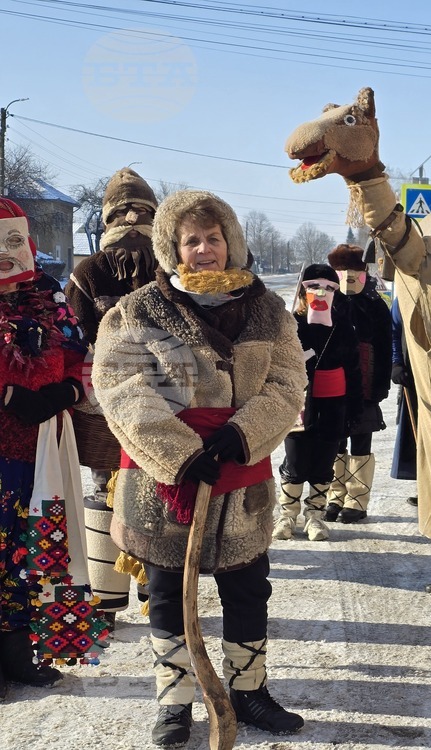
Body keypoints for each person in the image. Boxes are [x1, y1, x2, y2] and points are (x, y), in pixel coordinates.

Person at [91, 190, 308, 744]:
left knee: (247, 587)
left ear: (230, 242)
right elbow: (120, 386)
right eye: (192, 240)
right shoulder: (137, 310)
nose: (205, 249)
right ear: (172, 248)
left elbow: (287, 383)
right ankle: (176, 700)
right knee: (166, 589)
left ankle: (249, 692)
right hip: (167, 476)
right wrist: (182, 452)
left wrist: (241, 434)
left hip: (241, 467)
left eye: (214, 238)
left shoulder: (267, 309)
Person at [0, 198, 89, 700]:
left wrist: (66, 392)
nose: (5, 257)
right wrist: (10, 397)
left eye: (14, 243)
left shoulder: (51, 297)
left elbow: (79, 354)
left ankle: (21, 649)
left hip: (45, 450)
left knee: (37, 551)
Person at [65, 166, 160, 630]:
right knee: (121, 486)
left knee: (138, 487)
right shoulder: (91, 273)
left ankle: (134, 590)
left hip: (144, 401)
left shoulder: (168, 268)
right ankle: (119, 591)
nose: (131, 220)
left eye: (137, 212)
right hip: (125, 401)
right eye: (125, 213)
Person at [275, 263, 363, 541]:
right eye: (314, 286)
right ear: (303, 289)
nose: (321, 293)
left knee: (325, 461)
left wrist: (354, 408)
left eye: (328, 287)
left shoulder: (343, 326)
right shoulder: (291, 325)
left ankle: (315, 516)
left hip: (334, 402)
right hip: (299, 401)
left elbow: (354, 369)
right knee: (297, 460)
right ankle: (287, 514)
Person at [324, 244, 392, 524]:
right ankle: (334, 495)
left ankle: (357, 499)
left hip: (364, 384)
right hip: (333, 383)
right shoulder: (326, 300)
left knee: (360, 439)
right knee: (335, 440)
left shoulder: (375, 304)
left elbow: (386, 346)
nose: (348, 277)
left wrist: (382, 385)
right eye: (342, 272)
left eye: (354, 271)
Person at [389, 296, 417, 505]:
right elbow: (394, 331)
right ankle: (424, 486)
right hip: (413, 375)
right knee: (416, 432)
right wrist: (396, 362)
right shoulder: (405, 297)